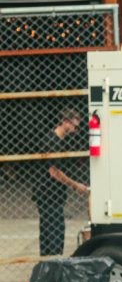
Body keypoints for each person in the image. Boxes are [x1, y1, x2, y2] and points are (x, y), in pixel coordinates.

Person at [32, 109, 85, 256]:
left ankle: (49, 267)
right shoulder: (51, 141)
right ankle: (52, 266)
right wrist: (76, 186)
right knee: (54, 236)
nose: (76, 130)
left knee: (49, 235)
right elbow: (55, 173)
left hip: (52, 196)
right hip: (48, 195)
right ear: (65, 122)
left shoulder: (58, 141)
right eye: (75, 126)